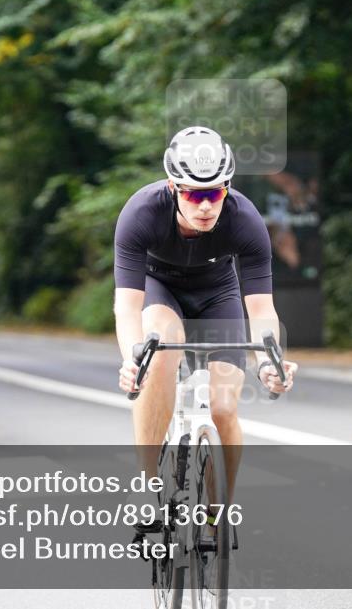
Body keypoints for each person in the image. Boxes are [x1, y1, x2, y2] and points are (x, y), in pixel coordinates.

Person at [114, 126, 298, 528]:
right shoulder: (141, 213)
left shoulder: (245, 221)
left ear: (227, 187)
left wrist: (269, 364)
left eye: (215, 192)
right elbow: (127, 306)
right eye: (194, 194)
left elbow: (262, 310)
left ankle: (219, 509)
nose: (205, 206)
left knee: (224, 407)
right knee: (161, 348)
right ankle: (147, 486)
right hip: (159, 289)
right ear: (172, 186)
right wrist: (132, 358)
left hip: (218, 295)